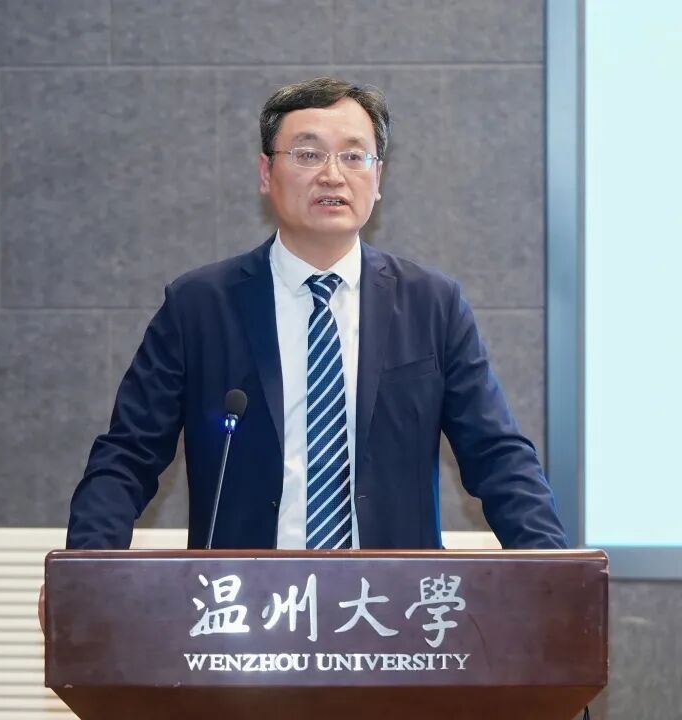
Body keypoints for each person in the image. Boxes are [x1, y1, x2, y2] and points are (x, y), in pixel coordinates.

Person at [65, 77, 568, 553]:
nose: (332, 174)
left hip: (391, 599)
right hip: (244, 596)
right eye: (308, 154)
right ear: (267, 174)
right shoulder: (199, 305)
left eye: (353, 156)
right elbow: (127, 457)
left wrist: (554, 573)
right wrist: (82, 572)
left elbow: (498, 457)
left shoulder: (431, 304)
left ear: (377, 178)